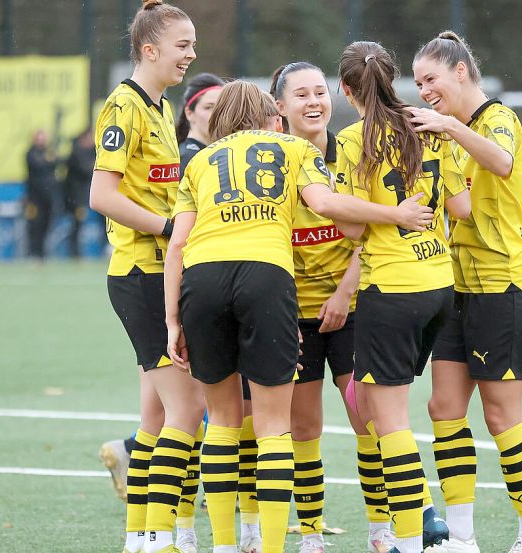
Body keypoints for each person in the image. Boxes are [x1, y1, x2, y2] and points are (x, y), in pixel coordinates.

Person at [164, 80, 434, 553]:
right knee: (272, 427)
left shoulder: (201, 161)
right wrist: (396, 215)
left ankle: (224, 546)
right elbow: (327, 204)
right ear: (273, 115)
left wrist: (172, 320)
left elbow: (178, 244)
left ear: (220, 121)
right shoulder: (292, 147)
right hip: (266, 276)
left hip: (202, 280)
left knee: (224, 423)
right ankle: (272, 547)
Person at [410, 32, 522, 553]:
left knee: (499, 415)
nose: (425, 90)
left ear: (461, 71)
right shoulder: (446, 136)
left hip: (504, 287)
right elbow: (462, 208)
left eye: (432, 78)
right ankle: (461, 538)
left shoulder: (495, 119)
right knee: (443, 407)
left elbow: (503, 163)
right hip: (455, 287)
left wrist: (448, 129)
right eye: (419, 81)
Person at [335, 40, 471, 553]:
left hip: (390, 288)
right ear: (395, 78)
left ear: (347, 90)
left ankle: (411, 542)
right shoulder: (429, 124)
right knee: (373, 401)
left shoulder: (353, 139)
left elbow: (349, 230)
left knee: (390, 423)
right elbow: (459, 207)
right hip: (438, 283)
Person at [88, 2, 206, 553]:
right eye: (182, 45)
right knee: (187, 411)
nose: (192, 54)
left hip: (161, 273)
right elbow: (102, 196)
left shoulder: (160, 108)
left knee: (158, 416)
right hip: (140, 274)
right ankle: (161, 538)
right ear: (149, 49)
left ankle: (140, 538)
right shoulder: (124, 107)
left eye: (192, 44)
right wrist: (169, 230)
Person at [270, 61, 394, 553]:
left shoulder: (352, 151)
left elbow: (376, 235)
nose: (314, 102)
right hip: (294, 314)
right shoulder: (273, 163)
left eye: (319, 92)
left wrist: (344, 293)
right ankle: (312, 534)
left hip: (352, 305)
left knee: (366, 416)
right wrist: (281, 312)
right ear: (279, 107)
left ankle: (381, 527)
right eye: (300, 95)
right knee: (304, 427)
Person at [25, 129, 58, 260]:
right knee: (35, 224)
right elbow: (38, 165)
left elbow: (58, 162)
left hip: (48, 196)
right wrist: (48, 160)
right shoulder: (30, 153)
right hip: (34, 197)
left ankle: (43, 253)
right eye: (39, 137)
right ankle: (34, 253)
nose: (41, 140)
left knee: (46, 224)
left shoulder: (49, 152)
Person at [63, 127, 95, 258]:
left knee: (79, 223)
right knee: (77, 223)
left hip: (85, 195)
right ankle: (74, 252)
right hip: (76, 196)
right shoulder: (76, 153)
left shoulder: (91, 152)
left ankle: (76, 251)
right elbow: (85, 170)